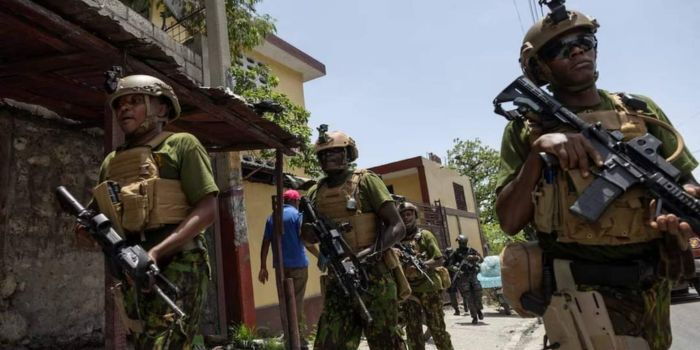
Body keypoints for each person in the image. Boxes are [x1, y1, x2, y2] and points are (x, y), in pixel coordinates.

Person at [495, 4, 699, 349]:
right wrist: (538, 153)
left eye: (584, 41)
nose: (577, 51)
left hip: (651, 288)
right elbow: (510, 220)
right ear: (539, 67)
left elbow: (684, 182)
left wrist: (683, 203)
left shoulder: (640, 110)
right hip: (576, 294)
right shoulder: (525, 129)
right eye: (560, 49)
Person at [83, 75, 218, 349]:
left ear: (162, 109)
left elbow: (207, 209)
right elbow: (97, 214)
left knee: (165, 342)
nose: (124, 108)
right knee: (145, 340)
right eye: (120, 104)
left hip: (180, 262)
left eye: (135, 101)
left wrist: (156, 252)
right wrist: (86, 230)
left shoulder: (182, 144)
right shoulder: (112, 160)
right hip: (132, 266)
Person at [302, 127, 407, 350]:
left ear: (348, 154)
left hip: (375, 276)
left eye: (335, 152)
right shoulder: (314, 192)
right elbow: (306, 235)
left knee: (386, 342)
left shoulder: (366, 181)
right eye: (323, 154)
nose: (328, 157)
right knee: (328, 344)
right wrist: (310, 231)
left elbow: (397, 226)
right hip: (339, 279)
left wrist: (371, 253)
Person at [258, 189, 319, 346]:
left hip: (280, 268)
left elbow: (265, 243)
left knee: (285, 302)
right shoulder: (297, 216)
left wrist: (262, 266)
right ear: (295, 201)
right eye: (298, 202)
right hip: (298, 265)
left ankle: (290, 337)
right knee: (296, 303)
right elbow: (306, 241)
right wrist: (320, 256)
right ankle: (297, 340)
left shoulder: (272, 217)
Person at [397, 202, 453, 350]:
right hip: (409, 292)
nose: (406, 218)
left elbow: (438, 258)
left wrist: (422, 264)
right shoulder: (396, 241)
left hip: (429, 288)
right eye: (402, 215)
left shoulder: (425, 235)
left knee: (437, 329)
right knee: (413, 332)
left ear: (415, 216)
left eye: (409, 214)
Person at [446, 235, 483, 324]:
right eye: (459, 242)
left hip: (473, 275)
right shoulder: (456, 253)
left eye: (460, 242)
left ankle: (479, 310)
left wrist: (475, 258)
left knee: (478, 294)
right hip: (463, 278)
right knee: (469, 297)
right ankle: (474, 317)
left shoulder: (472, 251)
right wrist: (458, 270)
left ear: (464, 242)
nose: (460, 244)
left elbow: (481, 260)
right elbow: (450, 265)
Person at [442, 247, 461, 316]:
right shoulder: (446, 262)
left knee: (464, 292)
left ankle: (465, 307)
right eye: (448, 253)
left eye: (450, 253)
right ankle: (457, 309)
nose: (450, 254)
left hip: (457, 278)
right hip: (451, 279)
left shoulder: (457, 259)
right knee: (452, 294)